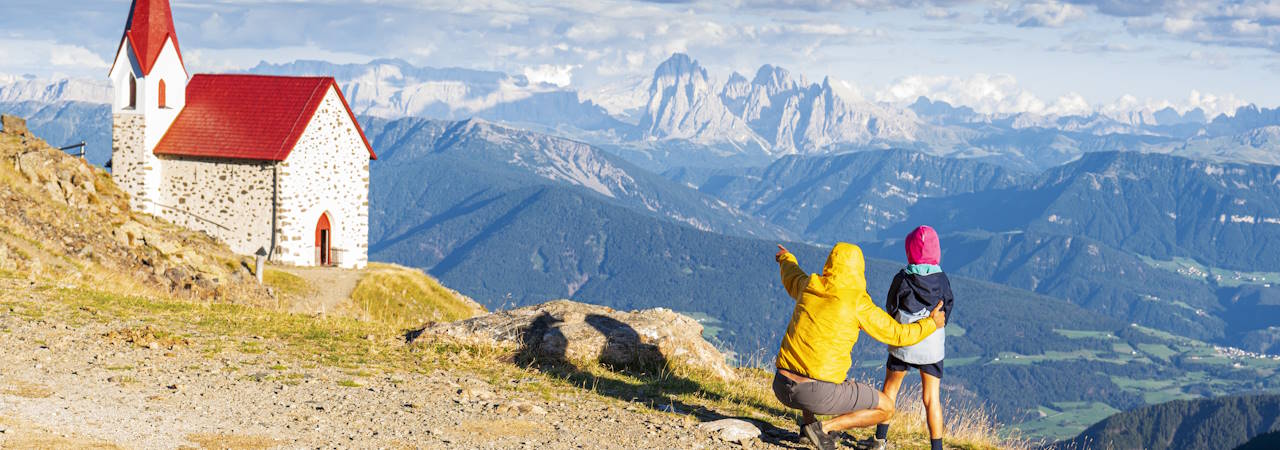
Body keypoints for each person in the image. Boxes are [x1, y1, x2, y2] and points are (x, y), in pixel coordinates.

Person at [772, 242, 946, 450]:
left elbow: (792, 275)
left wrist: (786, 257)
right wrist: (931, 324)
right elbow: (899, 335)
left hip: (781, 385)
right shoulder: (857, 303)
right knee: (887, 408)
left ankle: (807, 426)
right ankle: (824, 428)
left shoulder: (810, 284)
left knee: (809, 357)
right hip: (815, 393)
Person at [863, 226, 955, 450]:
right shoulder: (942, 279)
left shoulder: (903, 278)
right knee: (931, 398)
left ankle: (880, 440)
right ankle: (937, 447)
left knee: (890, 389)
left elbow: (890, 305)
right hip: (931, 344)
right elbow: (948, 306)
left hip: (904, 341)